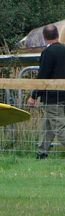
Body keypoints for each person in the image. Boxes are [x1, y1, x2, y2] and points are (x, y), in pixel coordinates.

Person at [27, 24, 65, 158]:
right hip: (63, 95)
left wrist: (33, 96)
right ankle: (41, 153)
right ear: (57, 35)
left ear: (44, 37)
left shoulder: (48, 53)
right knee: (47, 126)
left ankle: (42, 153)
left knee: (59, 128)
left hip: (52, 97)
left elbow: (43, 76)